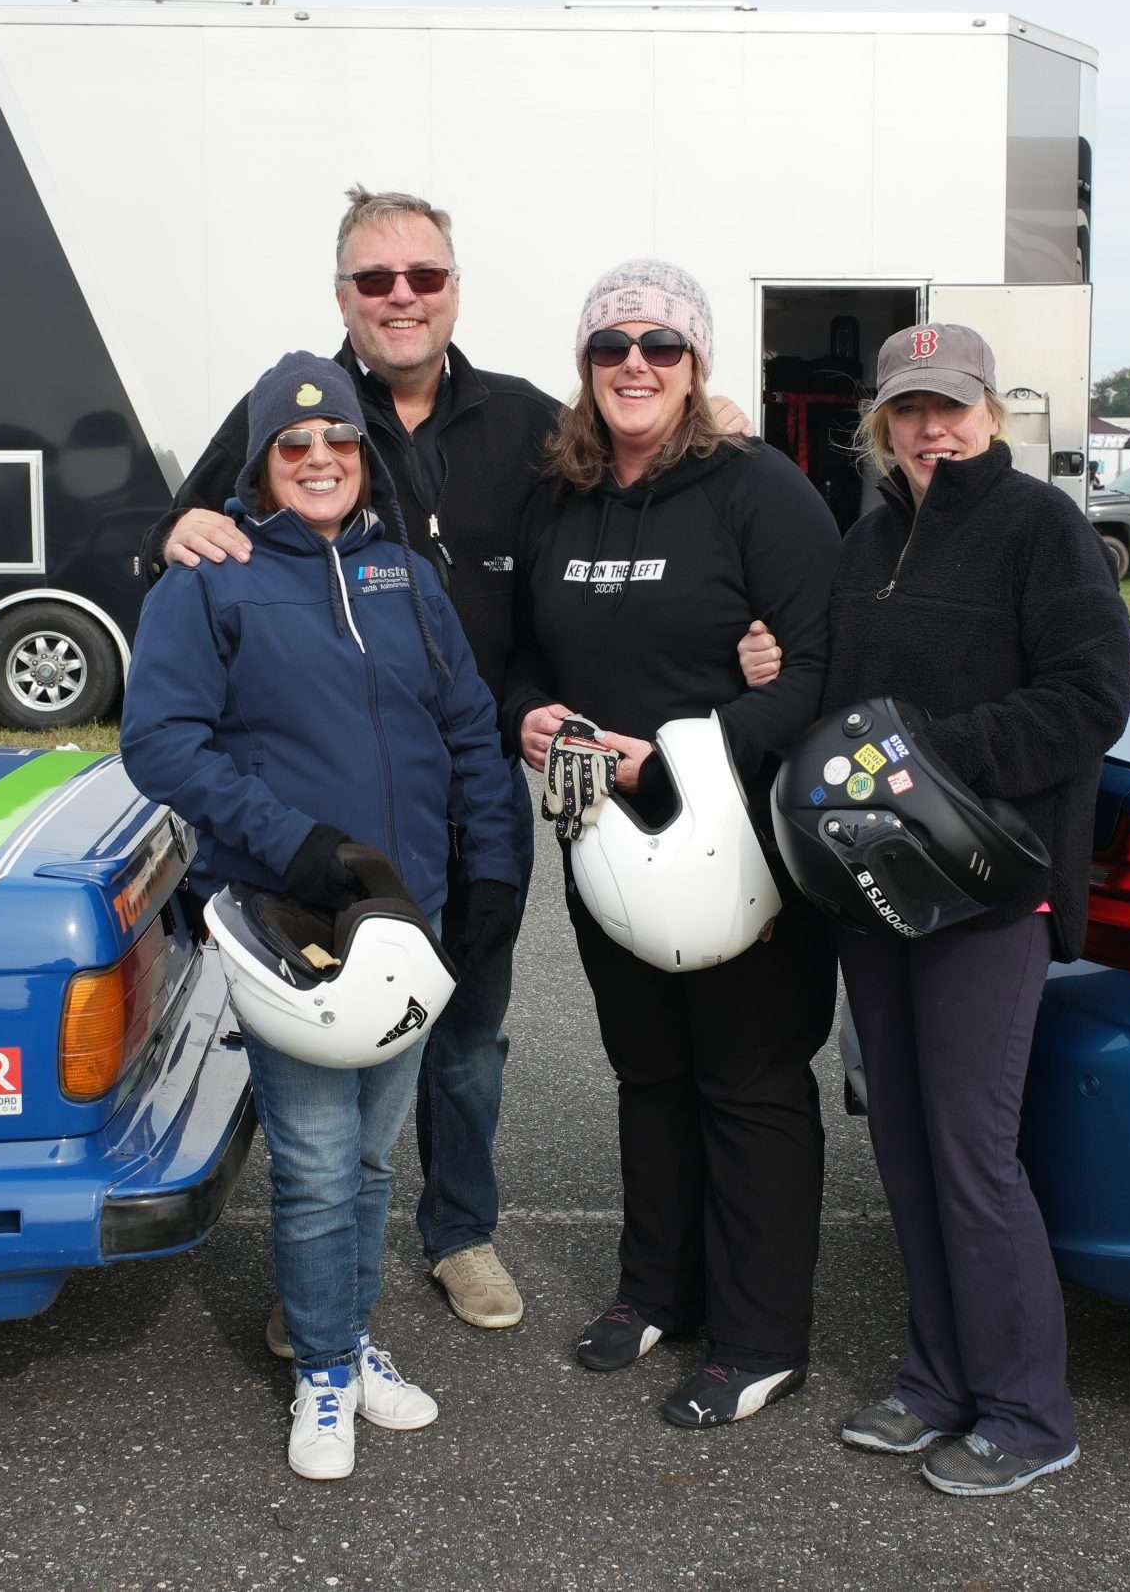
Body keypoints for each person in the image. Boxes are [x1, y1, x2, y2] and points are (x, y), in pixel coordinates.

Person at [142, 188, 773, 1339]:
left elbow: (634, 494)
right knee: (330, 1048)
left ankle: (459, 1233)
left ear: (452, 289)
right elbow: (190, 545)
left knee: (467, 1035)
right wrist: (172, 534)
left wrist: (711, 430)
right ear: (343, 295)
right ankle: (328, 1281)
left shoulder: (530, 424)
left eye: (422, 277)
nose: (400, 297)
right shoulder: (297, 409)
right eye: (374, 280)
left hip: (472, 789)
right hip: (313, 816)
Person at [119, 352, 526, 1481]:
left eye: (337, 442)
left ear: (361, 456)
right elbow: (157, 742)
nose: (318, 459)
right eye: (292, 447)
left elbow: (468, 735)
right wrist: (295, 839)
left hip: (412, 922)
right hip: (292, 917)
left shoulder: (407, 577)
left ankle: (339, 1337)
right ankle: (324, 1374)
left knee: (374, 1160)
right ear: (258, 467)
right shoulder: (208, 580)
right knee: (310, 1160)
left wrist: (487, 873)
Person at [502, 259, 841, 1430]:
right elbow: (523, 650)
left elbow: (818, 668)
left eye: (659, 346)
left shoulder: (757, 489)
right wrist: (528, 715)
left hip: (739, 841)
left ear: (696, 365)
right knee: (646, 1071)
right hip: (600, 830)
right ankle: (657, 1287)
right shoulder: (560, 496)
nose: (633, 365)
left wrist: (687, 753)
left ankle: (758, 1336)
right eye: (609, 348)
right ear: (584, 370)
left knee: (746, 1082)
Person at [819, 324, 1130, 1497]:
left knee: (968, 1150)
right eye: (908, 410)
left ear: (992, 412)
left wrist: (929, 759)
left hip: (986, 884)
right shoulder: (868, 538)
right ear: (882, 422)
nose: (929, 428)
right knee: (900, 1142)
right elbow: (839, 700)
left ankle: (1026, 1410)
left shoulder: (1041, 528)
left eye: (950, 407)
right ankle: (935, 1380)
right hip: (879, 884)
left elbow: (1091, 697)